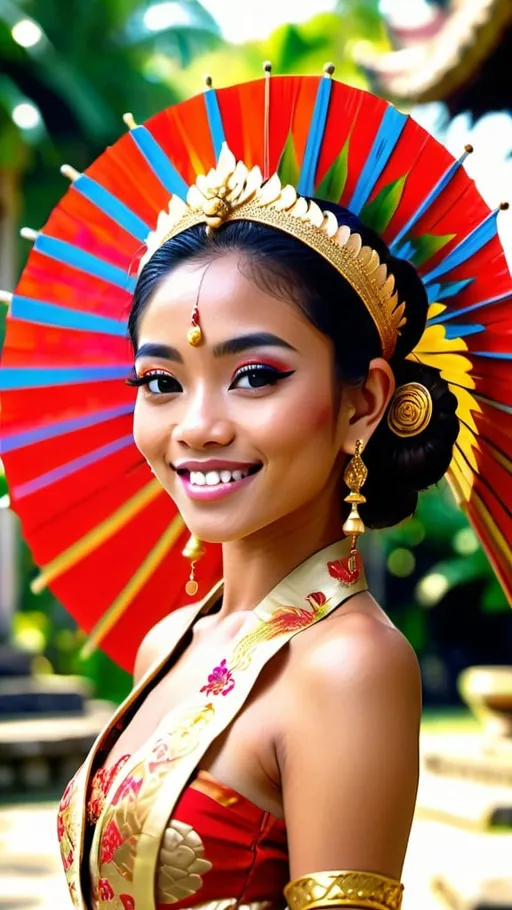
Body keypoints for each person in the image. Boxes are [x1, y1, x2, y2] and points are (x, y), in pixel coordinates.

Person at [2, 70, 510, 910]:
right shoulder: (169, 638)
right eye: (160, 382)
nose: (196, 426)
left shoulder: (351, 667)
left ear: (365, 401)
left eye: (254, 375)